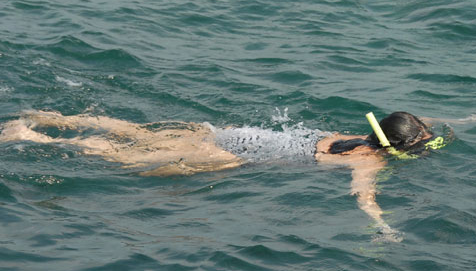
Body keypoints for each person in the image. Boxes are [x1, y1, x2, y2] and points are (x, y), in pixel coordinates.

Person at [0, 110, 453, 241]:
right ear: (399, 149)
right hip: (237, 158)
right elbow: (365, 198)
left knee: (139, 134)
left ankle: (49, 117)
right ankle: (35, 139)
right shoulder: (367, 160)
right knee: (131, 161)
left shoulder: (355, 138)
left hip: (242, 134)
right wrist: (383, 228)